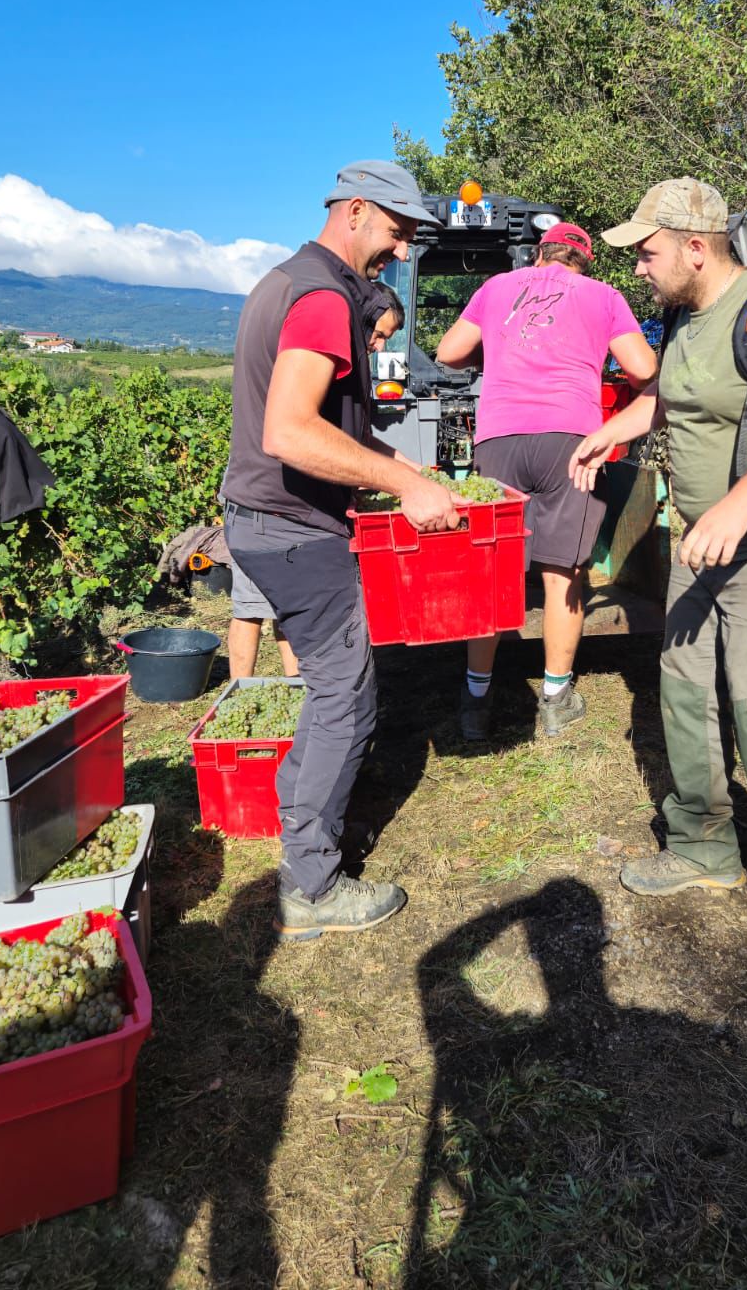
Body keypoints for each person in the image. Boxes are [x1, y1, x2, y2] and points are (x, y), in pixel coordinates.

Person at [569, 177, 747, 959]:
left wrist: (736, 506)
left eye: (649, 253)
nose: (638, 267)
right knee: (686, 689)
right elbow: (668, 397)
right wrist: (614, 433)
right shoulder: (683, 315)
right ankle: (703, 847)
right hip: (702, 542)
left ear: (697, 248)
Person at [222, 159, 459, 941]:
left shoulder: (284, 280)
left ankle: (304, 841)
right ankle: (314, 889)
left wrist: (393, 472)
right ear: (356, 211)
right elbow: (288, 431)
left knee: (331, 695)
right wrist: (400, 479)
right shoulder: (325, 296)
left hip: (265, 521)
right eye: (397, 232)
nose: (400, 251)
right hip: (292, 528)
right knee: (346, 701)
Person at [436, 219, 657, 740]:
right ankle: (556, 700)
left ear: (541, 254)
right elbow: (644, 367)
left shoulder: (495, 289)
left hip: (499, 438)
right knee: (564, 573)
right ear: (584, 261)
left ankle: (475, 699)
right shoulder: (602, 296)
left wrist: (494, 348)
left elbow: (448, 351)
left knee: (493, 568)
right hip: (571, 441)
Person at [227, 548, 299, 681]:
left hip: (258, 537)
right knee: (250, 610)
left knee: (290, 606)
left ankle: (297, 686)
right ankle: (240, 692)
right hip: (259, 538)